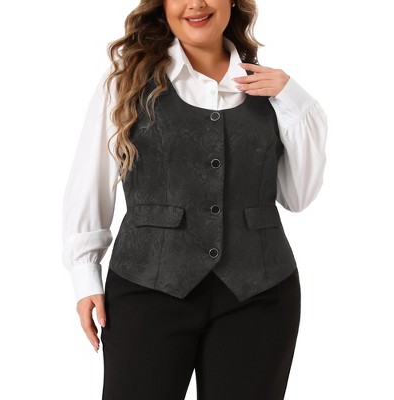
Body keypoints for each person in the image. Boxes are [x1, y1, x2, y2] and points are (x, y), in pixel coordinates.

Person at [62, 0, 327, 399]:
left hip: (259, 294)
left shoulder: (273, 91)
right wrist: (85, 275)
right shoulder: (126, 83)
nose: (196, 3)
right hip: (148, 289)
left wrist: (295, 99)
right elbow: (90, 178)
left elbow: (298, 196)